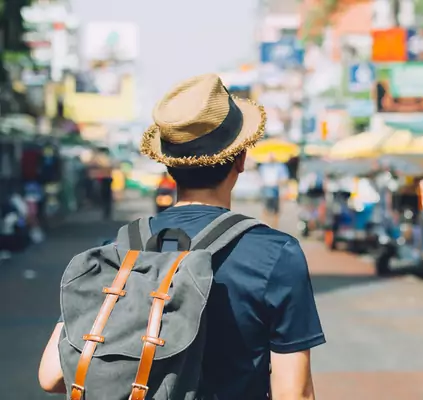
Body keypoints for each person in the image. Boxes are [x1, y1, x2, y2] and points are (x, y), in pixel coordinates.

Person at [39, 73, 324, 399]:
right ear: (241, 159)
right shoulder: (275, 254)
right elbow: (295, 393)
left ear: (168, 165)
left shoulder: (118, 251)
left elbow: (51, 376)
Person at [258, 153, 289, 227]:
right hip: (265, 188)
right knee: (266, 209)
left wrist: (278, 182)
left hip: (275, 189)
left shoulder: (280, 166)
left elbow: (285, 178)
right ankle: (265, 226)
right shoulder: (263, 167)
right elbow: (259, 178)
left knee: (276, 211)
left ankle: (274, 227)